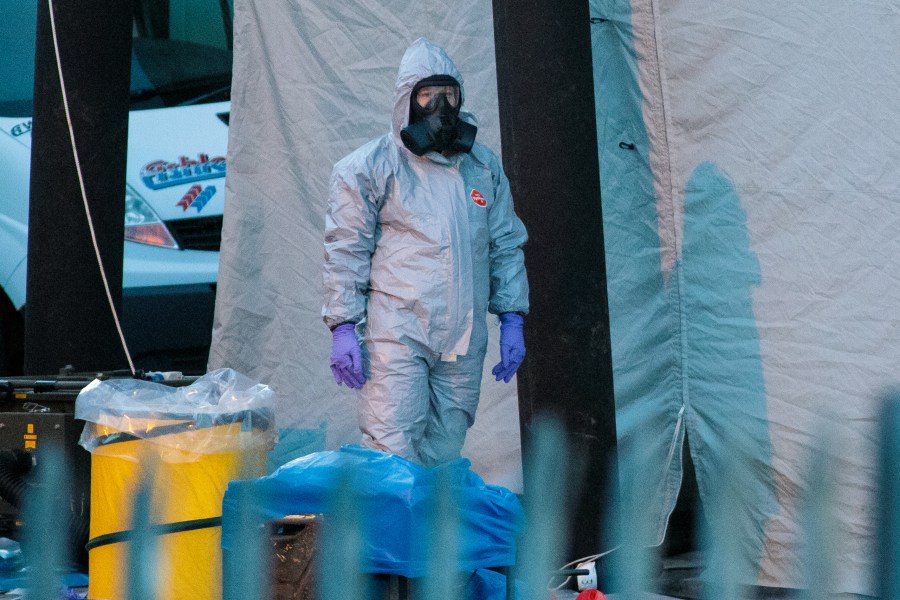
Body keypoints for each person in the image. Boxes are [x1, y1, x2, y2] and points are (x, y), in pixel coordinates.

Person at [322, 37, 529, 467]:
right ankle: (396, 536)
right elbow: (347, 249)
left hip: (463, 338)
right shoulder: (371, 168)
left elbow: (505, 244)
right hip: (399, 335)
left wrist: (512, 317)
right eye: (427, 95)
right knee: (392, 452)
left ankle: (432, 537)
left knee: (444, 454)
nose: (440, 105)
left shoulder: (483, 167)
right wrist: (343, 325)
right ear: (407, 102)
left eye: (448, 94)